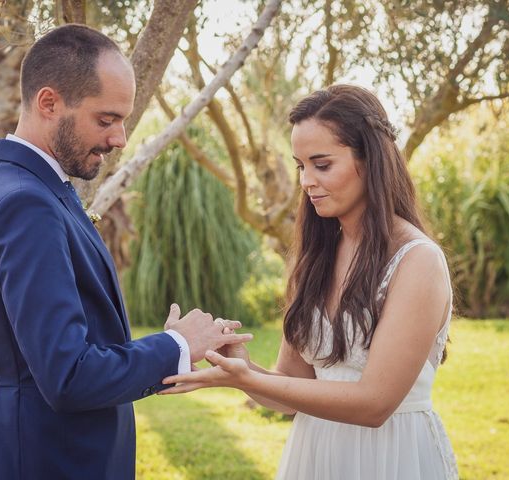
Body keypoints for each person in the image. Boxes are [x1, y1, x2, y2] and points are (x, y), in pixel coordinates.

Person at [0, 24, 251, 480]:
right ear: (49, 102)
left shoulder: (20, 186)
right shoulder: (26, 203)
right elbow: (67, 376)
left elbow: (64, 351)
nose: (119, 139)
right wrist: (175, 346)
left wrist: (175, 351)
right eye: (106, 119)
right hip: (48, 461)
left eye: (122, 121)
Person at [161, 85, 459, 479]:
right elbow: (290, 392)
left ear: (370, 160)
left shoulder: (417, 261)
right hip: (316, 456)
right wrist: (239, 367)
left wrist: (247, 378)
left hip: (392, 457)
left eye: (322, 164)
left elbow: (375, 404)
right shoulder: (315, 257)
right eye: (301, 166)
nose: (305, 181)